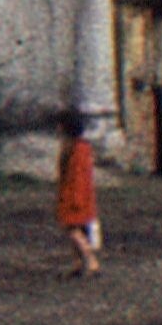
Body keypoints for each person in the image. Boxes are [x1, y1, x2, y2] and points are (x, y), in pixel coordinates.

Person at [54, 117, 103, 277]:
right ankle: (79, 262)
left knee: (73, 230)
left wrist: (76, 198)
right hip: (72, 194)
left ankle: (91, 260)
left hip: (75, 195)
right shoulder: (74, 147)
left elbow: (78, 176)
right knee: (76, 230)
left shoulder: (78, 149)